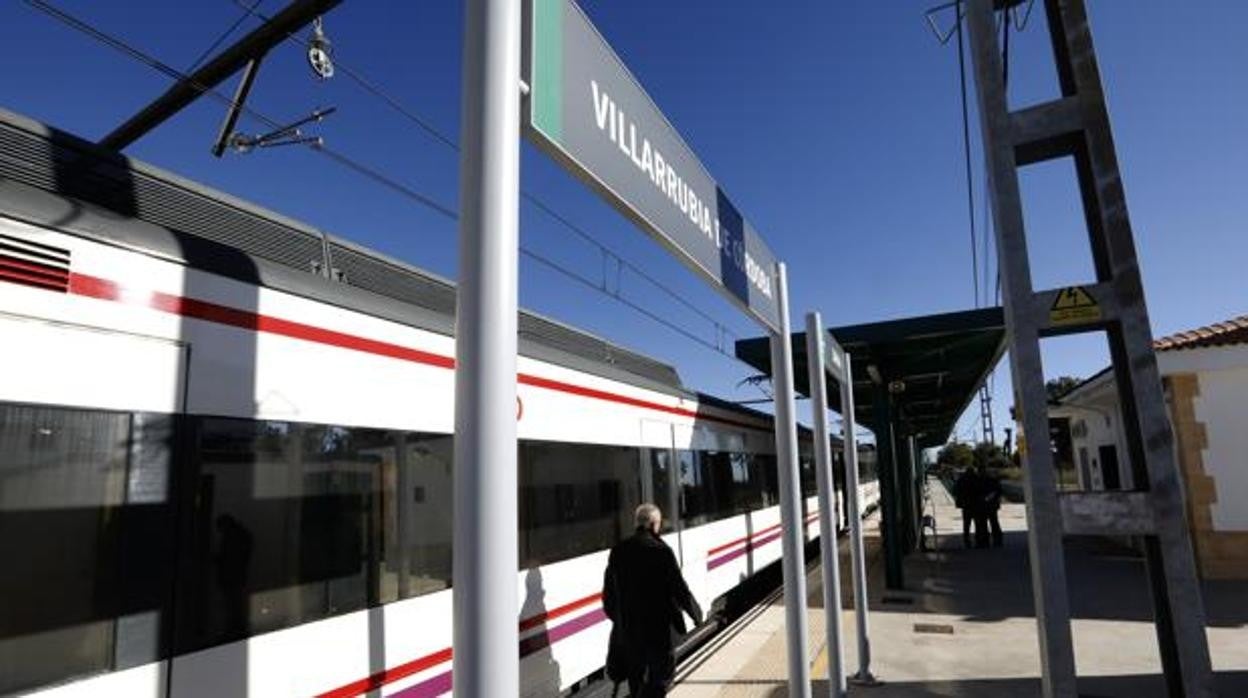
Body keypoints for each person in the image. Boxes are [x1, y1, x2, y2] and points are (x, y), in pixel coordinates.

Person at [603, 503, 703, 697]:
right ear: (654, 524)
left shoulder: (618, 551)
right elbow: (680, 590)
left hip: (631, 634)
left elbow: (609, 596)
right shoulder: (662, 551)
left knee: (636, 683)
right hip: (660, 633)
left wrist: (619, 620)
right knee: (660, 682)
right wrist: (697, 615)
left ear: (637, 524)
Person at [952, 467, 981, 548]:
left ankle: (966, 540)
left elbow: (955, 491)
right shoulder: (977, 479)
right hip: (976, 504)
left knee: (966, 524)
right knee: (978, 524)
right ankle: (978, 540)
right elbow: (981, 491)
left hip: (965, 505)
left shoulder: (961, 480)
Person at [979, 466, 1004, 547]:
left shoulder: (979, 481)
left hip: (983, 506)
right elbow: (999, 491)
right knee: (994, 522)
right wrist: (992, 497)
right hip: (992, 505)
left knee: (984, 524)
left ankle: (985, 541)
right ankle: (998, 541)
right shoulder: (993, 480)